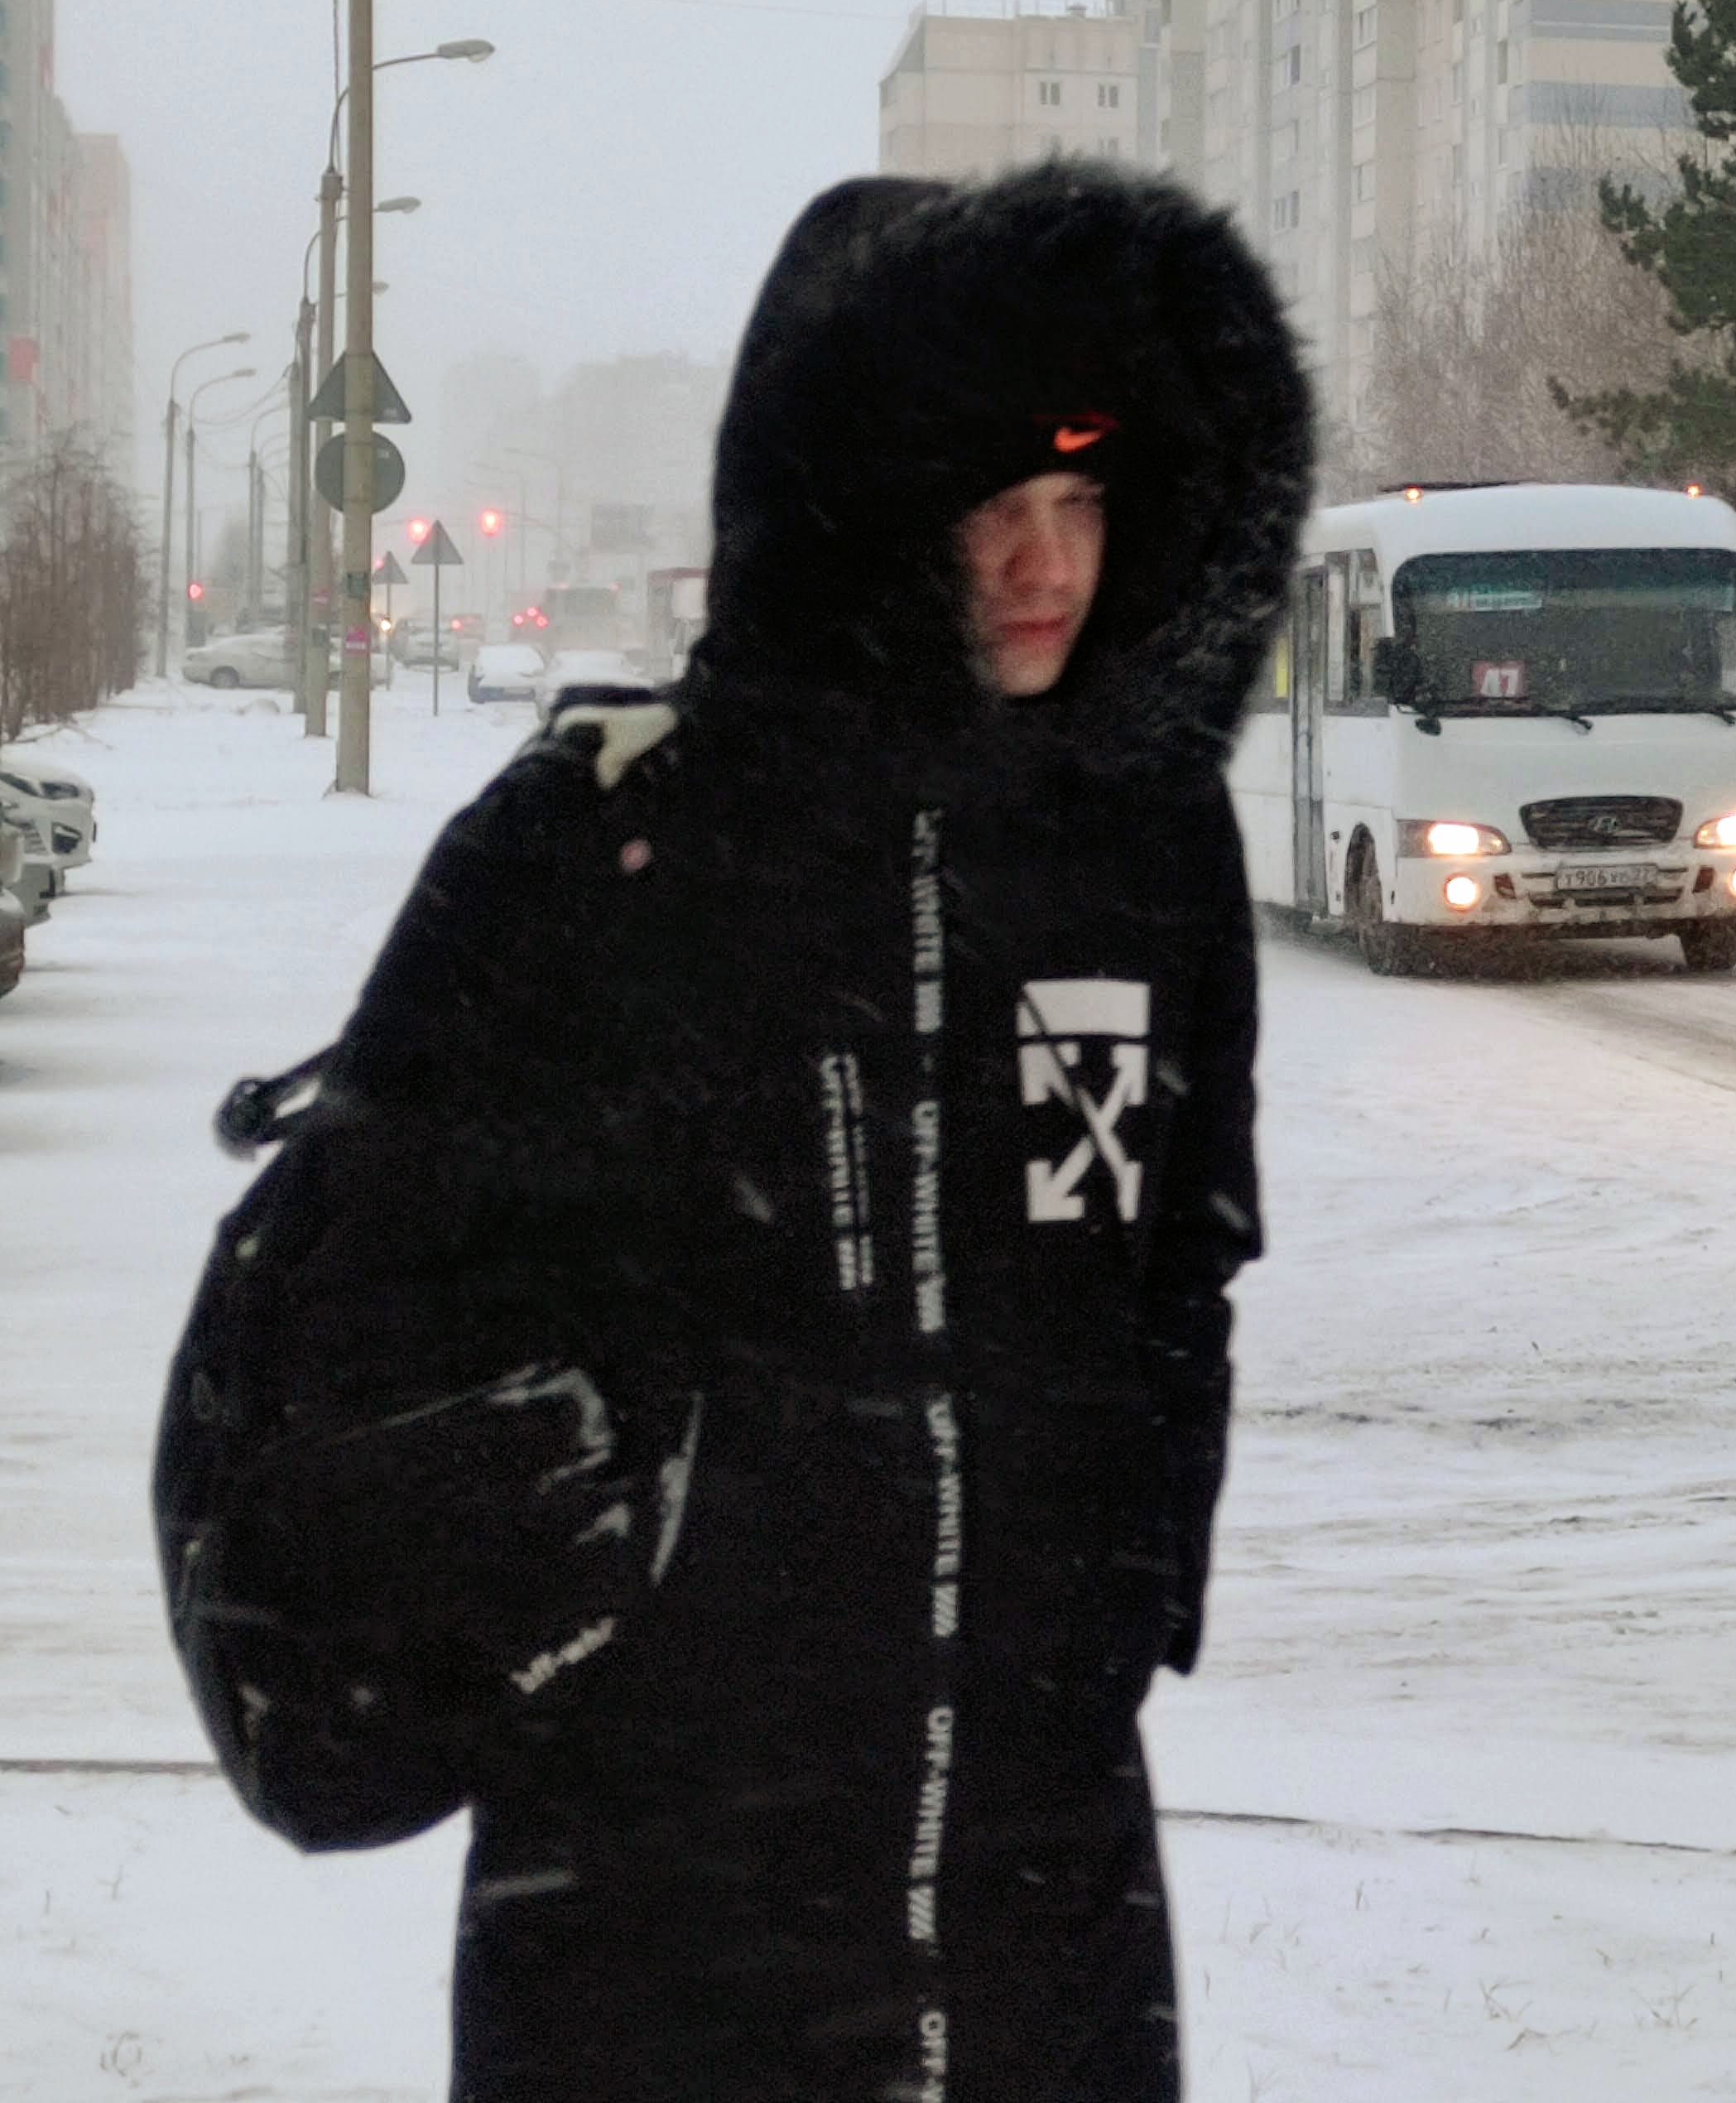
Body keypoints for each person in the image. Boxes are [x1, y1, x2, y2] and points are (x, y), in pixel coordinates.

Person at [281, 160, 1310, 2101]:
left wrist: (1114, 1607)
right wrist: (609, 1593)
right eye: (985, 503)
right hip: (656, 1912)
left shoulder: (1144, 854)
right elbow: (372, 1314)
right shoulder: (596, 847)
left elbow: (1185, 1259)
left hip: (1041, 1888)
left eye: (1083, 497)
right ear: (849, 508)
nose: (1044, 560)